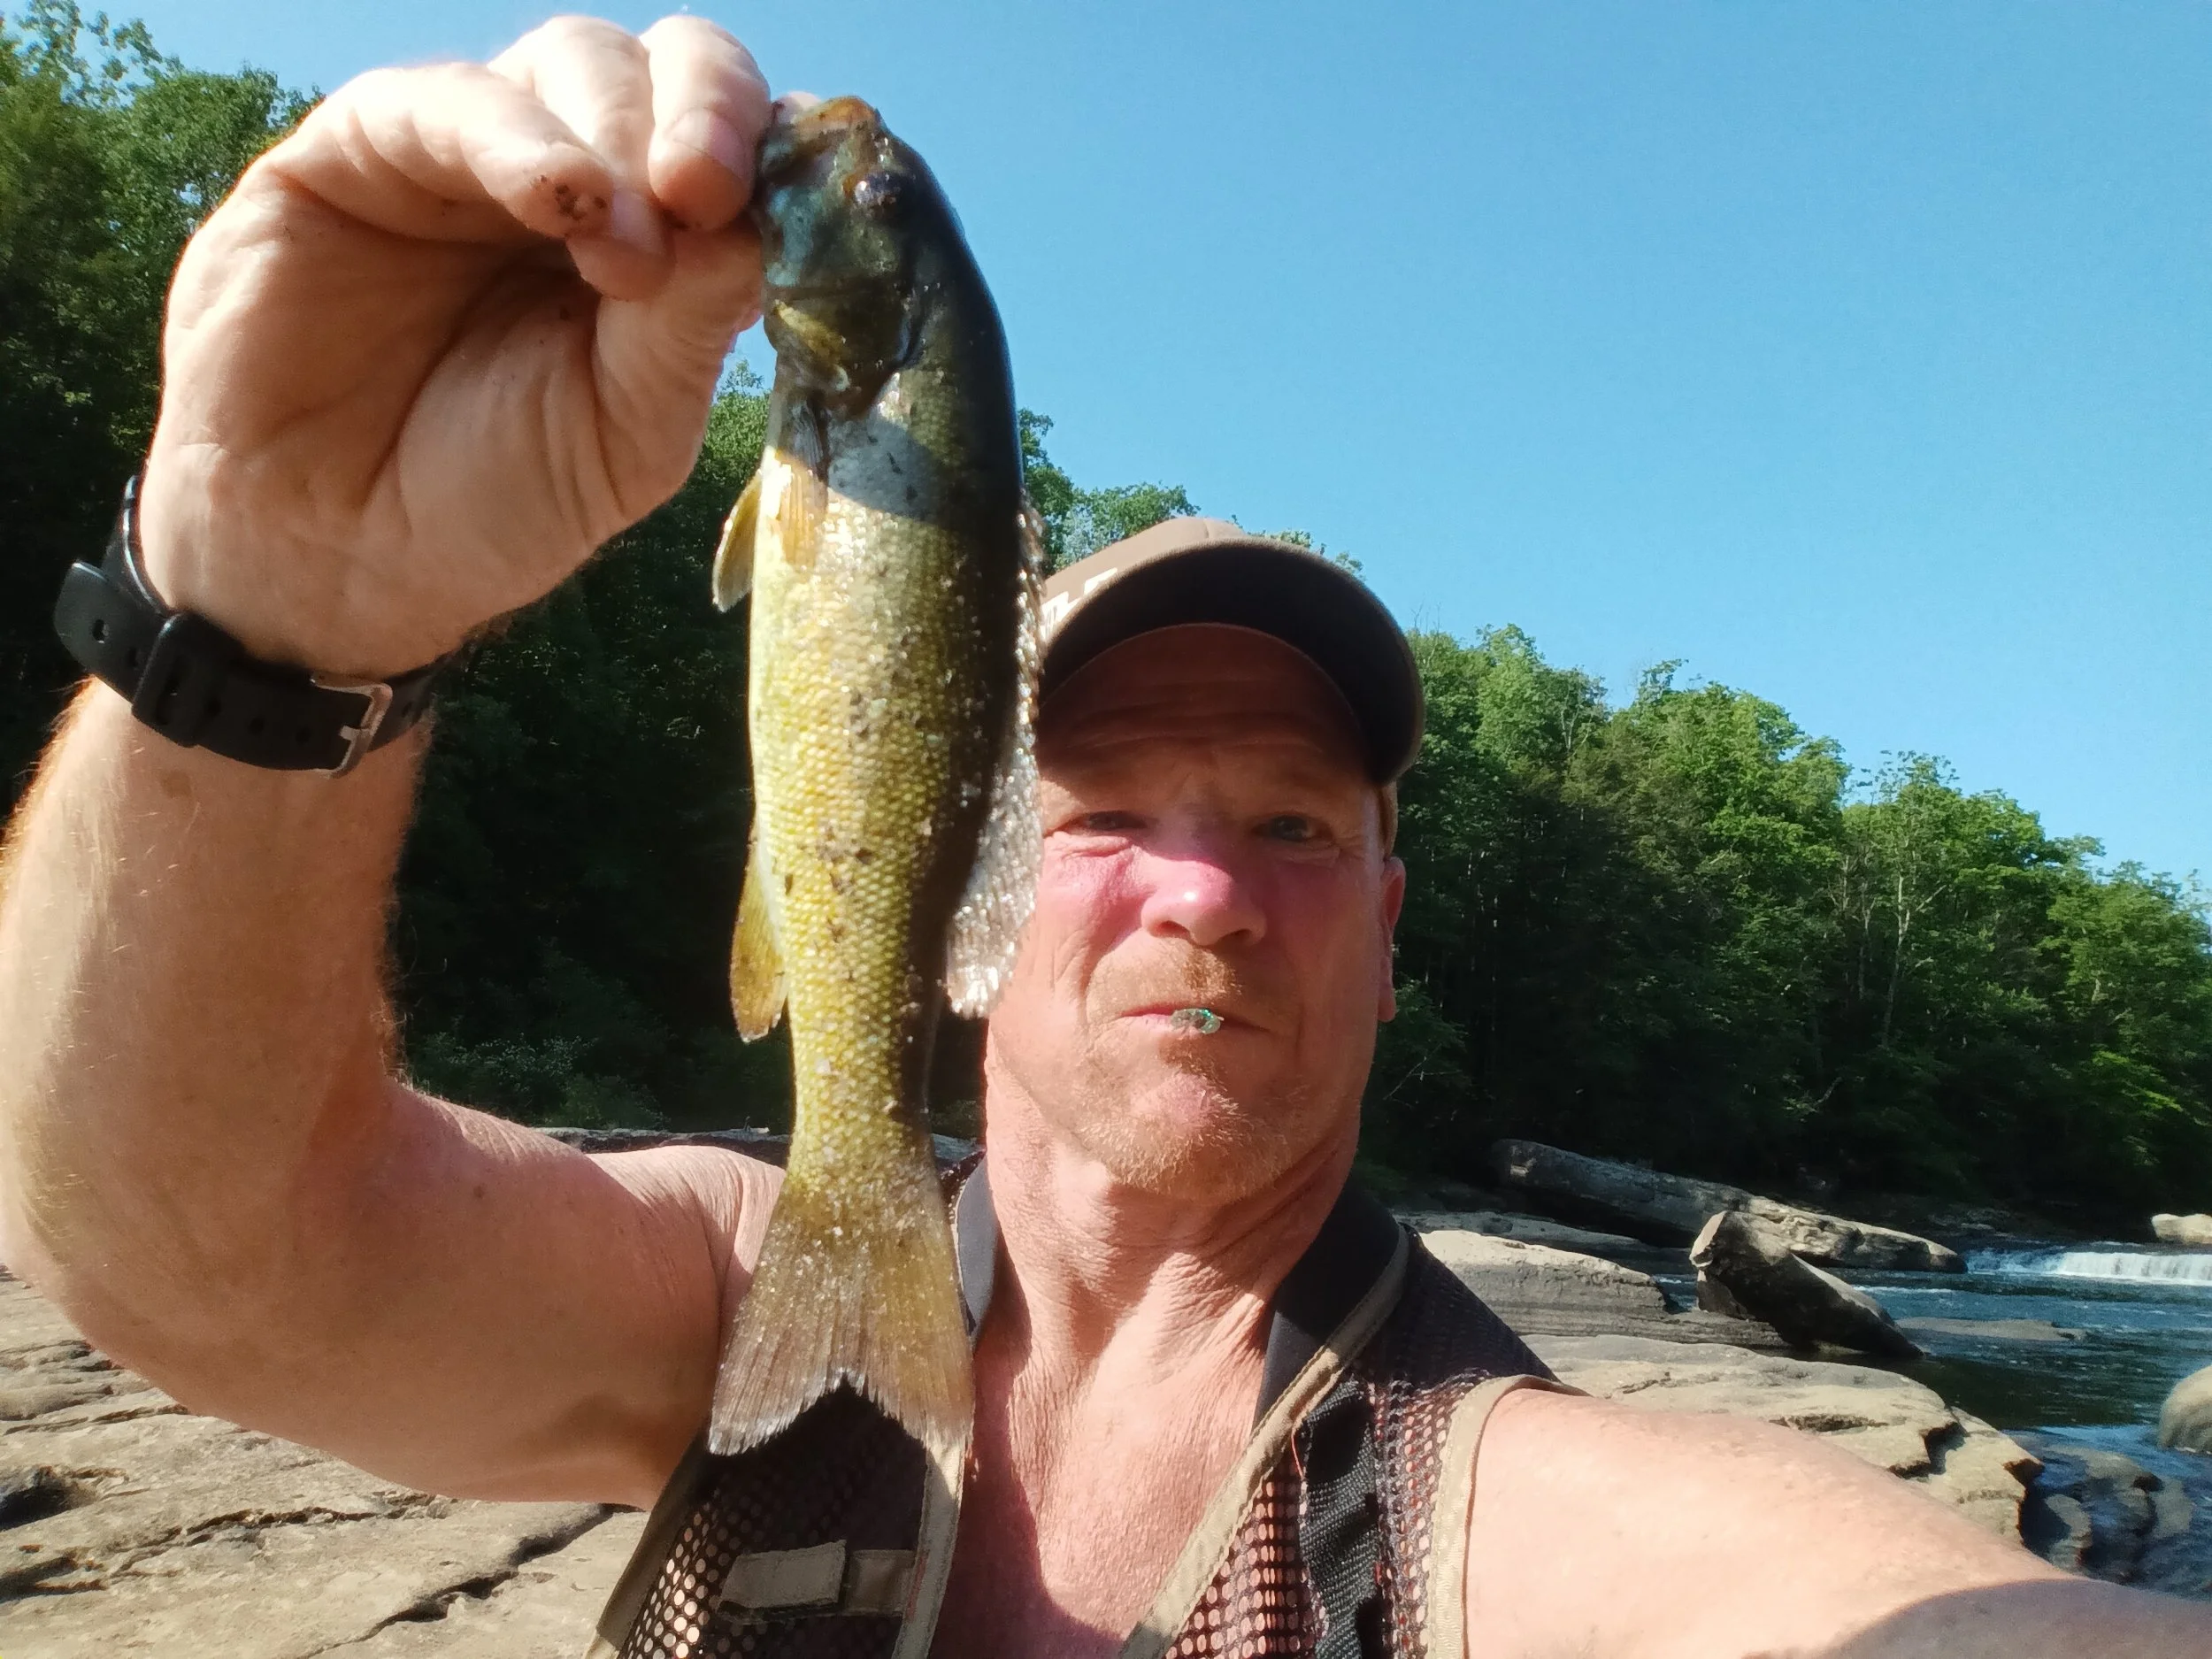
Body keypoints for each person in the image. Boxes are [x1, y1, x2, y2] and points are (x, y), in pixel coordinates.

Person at [0, 15, 2202, 1658]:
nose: (1207, 886)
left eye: (1289, 821)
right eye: (1105, 809)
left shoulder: (1499, 1497)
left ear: (1388, 926)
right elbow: (190, 1242)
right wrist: (265, 607)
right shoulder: (719, 1295)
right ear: (971, 874)